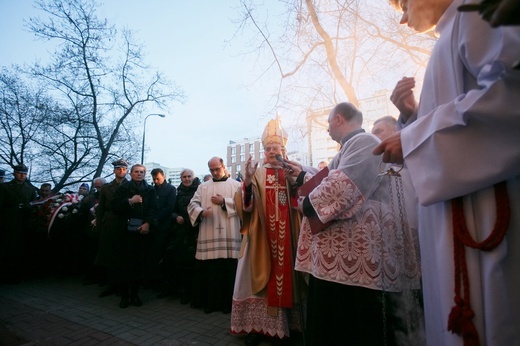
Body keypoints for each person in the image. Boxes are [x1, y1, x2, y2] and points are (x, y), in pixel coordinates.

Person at [375, 1, 520, 344]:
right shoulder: (449, 34)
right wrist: (411, 115)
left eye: (404, 2)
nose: (403, 17)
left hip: (483, 214)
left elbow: (509, 99)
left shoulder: (478, 15)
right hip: (454, 214)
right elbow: (450, 115)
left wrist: (411, 139)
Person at [287, 102, 422, 345]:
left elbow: (342, 185)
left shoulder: (364, 141)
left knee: (349, 329)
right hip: (339, 266)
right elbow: (328, 176)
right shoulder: (348, 148)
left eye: (329, 123)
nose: (328, 129)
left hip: (351, 264)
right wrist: (300, 176)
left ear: (338, 119)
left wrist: (306, 204)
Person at [230, 119, 305, 345]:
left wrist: (296, 182)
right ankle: (257, 327)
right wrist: (249, 181)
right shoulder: (258, 173)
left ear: (284, 150)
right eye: (268, 149)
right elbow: (244, 205)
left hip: (287, 237)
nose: (272, 152)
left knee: (287, 275)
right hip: (261, 237)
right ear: (264, 152)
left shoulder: (291, 171)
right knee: (256, 277)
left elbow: (301, 201)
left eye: (277, 148)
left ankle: (289, 324)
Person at [188, 157, 242, 314]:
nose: (215, 172)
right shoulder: (203, 187)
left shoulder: (236, 185)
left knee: (228, 272)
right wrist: (201, 212)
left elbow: (243, 205)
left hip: (230, 234)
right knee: (211, 273)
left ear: (224, 166)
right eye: (211, 170)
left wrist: (224, 202)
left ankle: (227, 304)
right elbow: (192, 204)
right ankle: (211, 303)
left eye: (217, 169)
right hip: (209, 231)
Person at [111, 164, 158, 308]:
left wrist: (148, 223)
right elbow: (115, 207)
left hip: (142, 232)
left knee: (139, 265)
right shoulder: (123, 188)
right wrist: (130, 201)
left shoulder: (150, 190)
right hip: (124, 232)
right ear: (131, 173)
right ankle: (125, 296)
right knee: (125, 266)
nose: (139, 174)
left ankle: (135, 295)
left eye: (142, 172)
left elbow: (153, 209)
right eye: (136, 172)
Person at [161, 169, 201, 303]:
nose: (187, 179)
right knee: (181, 263)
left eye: (189, 176)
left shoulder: (200, 191)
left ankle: (192, 293)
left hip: (195, 231)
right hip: (181, 232)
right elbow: (172, 210)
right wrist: (175, 217)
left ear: (193, 177)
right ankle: (182, 291)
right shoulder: (178, 193)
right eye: (184, 177)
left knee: (194, 265)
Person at [95, 159, 129, 297]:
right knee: (109, 255)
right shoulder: (106, 187)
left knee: (123, 256)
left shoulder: (131, 186)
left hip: (124, 223)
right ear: (114, 170)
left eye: (123, 169)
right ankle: (111, 285)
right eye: (118, 169)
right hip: (109, 223)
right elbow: (101, 208)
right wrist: (99, 225)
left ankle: (122, 286)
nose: (121, 171)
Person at [0, 164, 38, 283]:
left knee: (19, 249)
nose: (22, 176)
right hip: (8, 221)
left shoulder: (30, 189)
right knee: (6, 248)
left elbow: (33, 205)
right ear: (14, 173)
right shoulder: (4, 187)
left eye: (24, 174)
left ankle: (16, 275)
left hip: (23, 221)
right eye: (19, 173)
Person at [147, 168, 176, 289]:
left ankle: (161, 282)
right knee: (152, 255)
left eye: (157, 179)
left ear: (163, 176)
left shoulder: (170, 189)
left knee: (162, 254)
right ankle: (152, 280)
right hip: (153, 226)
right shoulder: (152, 189)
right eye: (154, 179)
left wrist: (156, 218)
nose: (156, 181)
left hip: (163, 226)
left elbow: (169, 207)